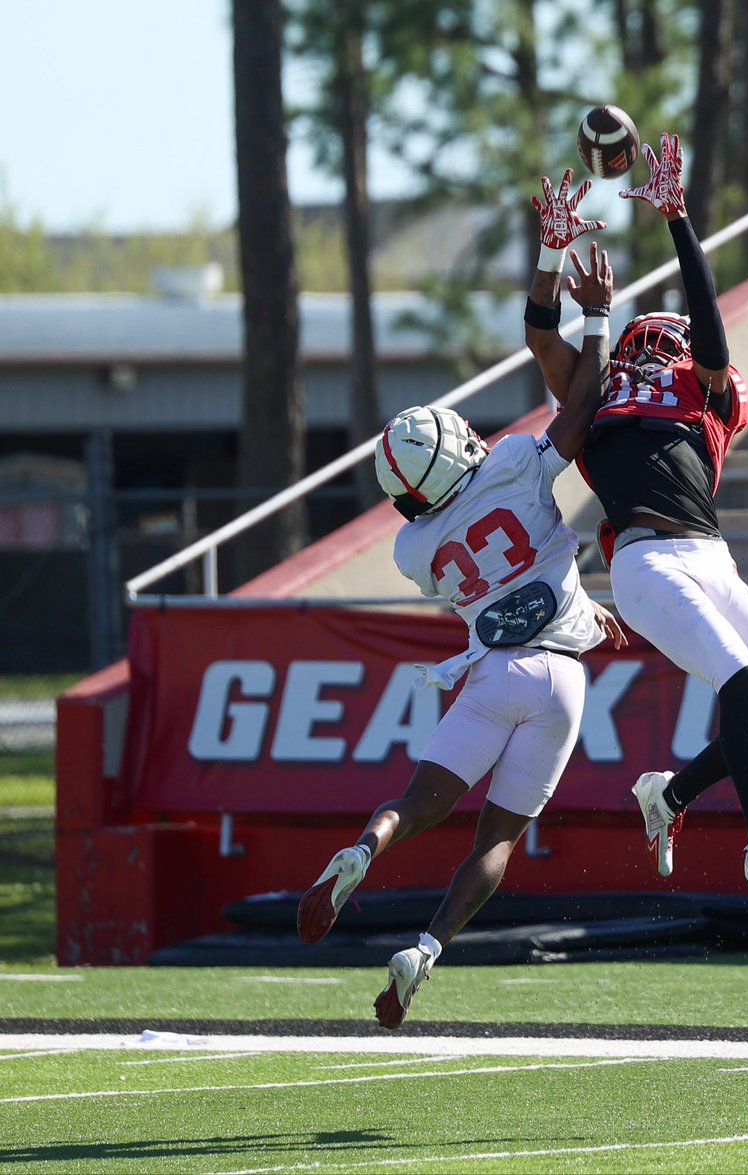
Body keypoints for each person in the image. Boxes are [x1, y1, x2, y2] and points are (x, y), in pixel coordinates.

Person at [297, 236, 625, 1029]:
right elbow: (581, 411)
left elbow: (501, 585)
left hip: (493, 672)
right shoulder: (512, 462)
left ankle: (366, 848)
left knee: (414, 804)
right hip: (563, 678)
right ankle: (429, 945)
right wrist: (599, 315)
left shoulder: (414, 550)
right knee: (496, 839)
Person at [524, 135, 748, 909]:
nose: (661, 344)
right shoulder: (598, 392)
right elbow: (541, 334)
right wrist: (550, 254)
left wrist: (678, 222)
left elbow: (715, 337)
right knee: (734, 679)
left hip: (711, 559)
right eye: (652, 336)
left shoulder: (708, 393)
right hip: (644, 560)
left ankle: (669, 793)